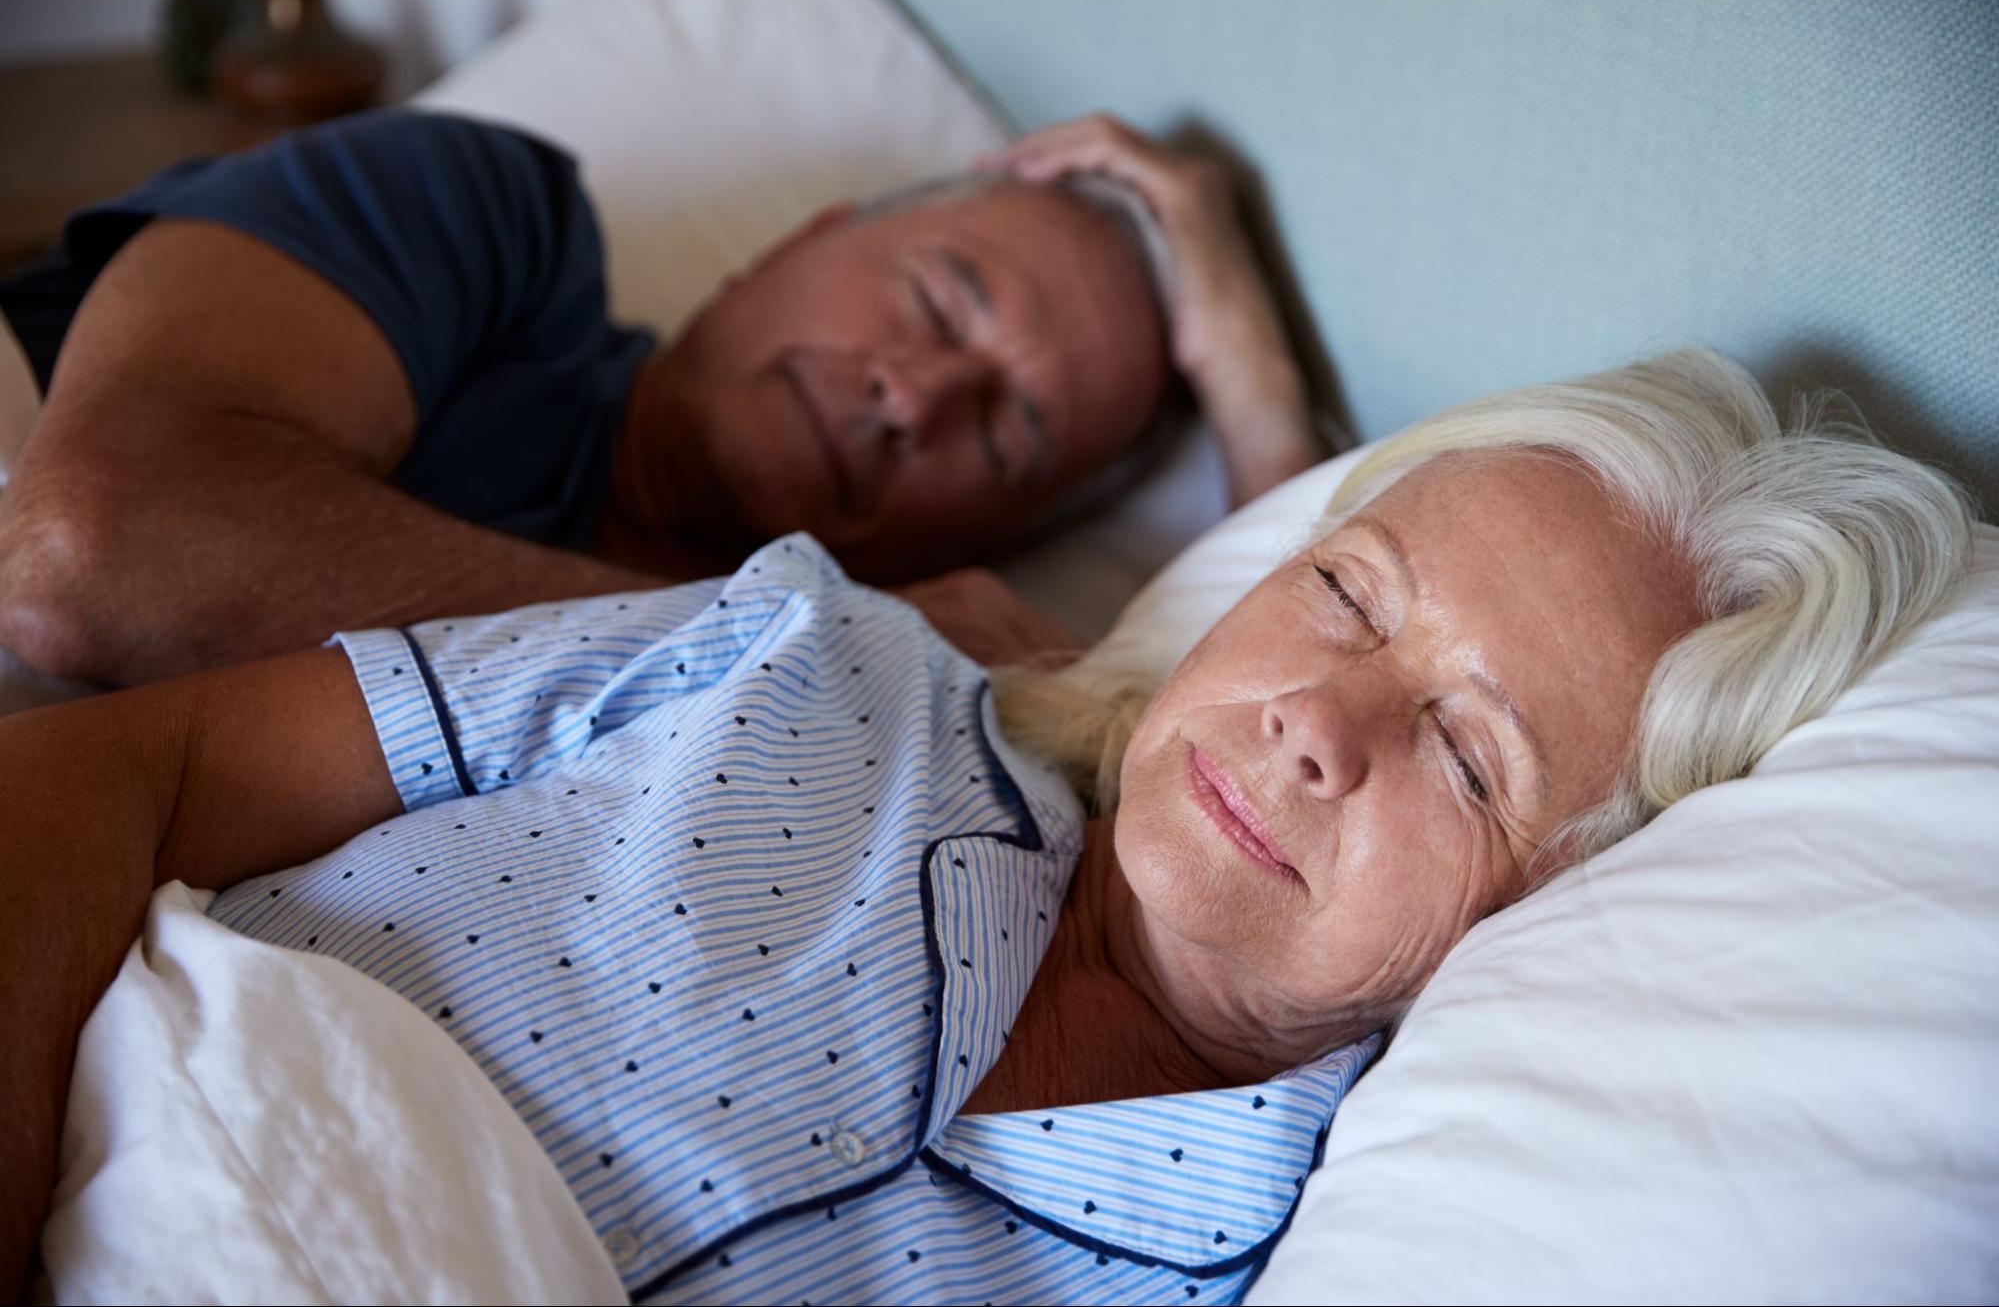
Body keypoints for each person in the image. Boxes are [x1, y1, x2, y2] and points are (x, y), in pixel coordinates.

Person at [1, 350, 1968, 1303]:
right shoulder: (807, 661)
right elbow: (105, 770)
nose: (1312, 729)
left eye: (1465, 756)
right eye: (1350, 597)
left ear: (1571, 904)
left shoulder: (1272, 1260)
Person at [0, 112, 1321, 687]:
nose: (917, 396)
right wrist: (779, 626)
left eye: (1004, 436)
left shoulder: (872, 694)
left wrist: (1258, 404)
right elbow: (82, 557)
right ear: (799, 238)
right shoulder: (490, 223)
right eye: (938, 302)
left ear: (986, 545)